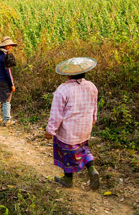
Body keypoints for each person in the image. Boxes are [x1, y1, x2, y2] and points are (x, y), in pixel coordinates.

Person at [46, 57, 100, 190]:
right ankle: (92, 169)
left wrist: (50, 130)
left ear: (68, 73)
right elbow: (94, 108)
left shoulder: (63, 89)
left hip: (68, 131)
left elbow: (56, 114)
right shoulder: (91, 86)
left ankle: (68, 179)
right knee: (83, 149)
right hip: (85, 127)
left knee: (67, 153)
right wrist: (93, 121)